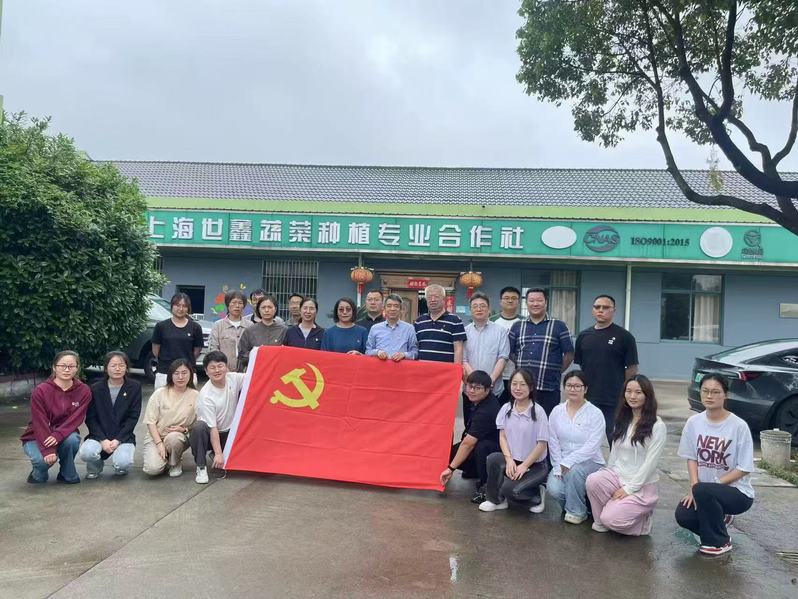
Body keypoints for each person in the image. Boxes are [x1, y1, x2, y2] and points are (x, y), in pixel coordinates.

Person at [674, 374, 754, 556]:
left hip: (737, 493)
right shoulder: (693, 423)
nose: (709, 396)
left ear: (725, 395)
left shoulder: (738, 426)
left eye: (716, 392)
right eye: (705, 391)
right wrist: (694, 487)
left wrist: (708, 487)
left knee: (704, 491)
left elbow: (744, 468)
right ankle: (718, 521)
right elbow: (691, 458)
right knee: (684, 515)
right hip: (705, 491)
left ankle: (719, 543)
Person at [586, 374, 667, 536]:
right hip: (618, 476)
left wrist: (630, 488)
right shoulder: (623, 420)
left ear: (647, 395)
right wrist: (607, 475)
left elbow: (650, 463)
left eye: (638, 392)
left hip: (642, 485)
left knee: (611, 519)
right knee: (593, 480)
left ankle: (642, 523)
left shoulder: (657, 426)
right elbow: (615, 452)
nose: (632, 396)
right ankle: (602, 521)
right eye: (629, 391)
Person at [479, 368, 550, 514]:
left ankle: (537, 494)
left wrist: (524, 466)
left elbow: (542, 445)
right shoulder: (506, 408)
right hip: (513, 460)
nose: (518, 388)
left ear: (531, 387)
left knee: (511, 490)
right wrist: (509, 459)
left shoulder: (538, 412)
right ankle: (496, 500)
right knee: (493, 459)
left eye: (523, 384)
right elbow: (502, 437)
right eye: (514, 384)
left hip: (535, 465)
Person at [574, 294, 639, 442]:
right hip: (588, 397)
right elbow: (582, 366)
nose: (600, 310)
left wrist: (625, 392)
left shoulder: (625, 337)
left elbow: (632, 368)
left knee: (615, 438)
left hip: (613, 399)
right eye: (597, 307)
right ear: (592, 310)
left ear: (613, 310)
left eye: (605, 307)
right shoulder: (583, 336)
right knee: (585, 438)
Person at [20, 350, 91, 484]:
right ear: (54, 367)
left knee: (72, 440)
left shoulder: (84, 390)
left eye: (71, 366)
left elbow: (76, 419)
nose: (67, 369)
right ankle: (37, 475)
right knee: (42, 462)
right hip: (37, 434)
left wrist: (58, 435)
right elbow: (39, 422)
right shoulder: (40, 390)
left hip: (65, 433)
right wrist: (48, 450)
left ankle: (66, 473)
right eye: (62, 366)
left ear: (77, 368)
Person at [546, 370, 606, 524]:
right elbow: (553, 441)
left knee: (574, 472)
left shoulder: (595, 413)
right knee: (554, 489)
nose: (573, 389)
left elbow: (593, 445)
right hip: (562, 461)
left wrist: (569, 461)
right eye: (569, 385)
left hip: (591, 461)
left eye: (577, 386)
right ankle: (583, 505)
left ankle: (577, 512)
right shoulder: (557, 411)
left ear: (585, 389)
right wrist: (557, 465)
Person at [508, 288, 573, 415]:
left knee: (547, 422)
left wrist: (557, 370)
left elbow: (569, 353)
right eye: (531, 300)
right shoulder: (517, 326)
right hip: (523, 388)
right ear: (526, 303)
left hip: (548, 387)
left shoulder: (559, 325)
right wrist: (521, 365)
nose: (535, 304)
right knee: (522, 420)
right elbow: (510, 352)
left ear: (546, 302)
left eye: (539, 300)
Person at [78, 351, 142, 479]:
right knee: (87, 453)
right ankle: (95, 467)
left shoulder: (134, 387)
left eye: (121, 365)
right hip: (99, 436)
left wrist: (118, 440)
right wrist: (103, 440)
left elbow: (133, 417)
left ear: (126, 368)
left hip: (123, 436)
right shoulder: (95, 388)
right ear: (106, 368)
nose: (117, 369)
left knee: (122, 463)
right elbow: (91, 418)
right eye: (113, 365)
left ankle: (120, 466)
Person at [440, 370, 502, 503]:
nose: (472, 391)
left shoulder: (486, 411)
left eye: (477, 388)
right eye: (470, 386)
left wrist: (451, 469)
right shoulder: (476, 399)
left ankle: (487, 486)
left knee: (480, 447)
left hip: (496, 451)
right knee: (449, 455)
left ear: (487, 390)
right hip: (480, 443)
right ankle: (474, 472)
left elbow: (468, 444)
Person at [190, 351, 246, 484]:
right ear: (206, 371)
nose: (217, 370)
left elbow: (256, 375)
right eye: (212, 367)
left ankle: (219, 453)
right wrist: (219, 454)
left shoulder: (233, 378)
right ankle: (201, 467)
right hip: (212, 434)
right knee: (199, 428)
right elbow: (213, 428)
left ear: (226, 367)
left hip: (231, 433)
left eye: (220, 366)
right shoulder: (206, 396)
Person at [142, 358, 199, 477]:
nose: (180, 377)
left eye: (184, 373)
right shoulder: (160, 393)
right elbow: (150, 422)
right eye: (176, 373)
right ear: (170, 375)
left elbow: (200, 422)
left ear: (190, 374)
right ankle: (166, 456)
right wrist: (159, 444)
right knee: (152, 469)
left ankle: (175, 462)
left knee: (174, 439)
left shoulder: (196, 395)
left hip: (178, 437)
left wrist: (185, 429)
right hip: (157, 436)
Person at [462, 291, 509, 422]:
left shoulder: (500, 331)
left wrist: (489, 381)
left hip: (494, 390)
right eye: (475, 306)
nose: (479, 309)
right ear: (470, 310)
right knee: (470, 425)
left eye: (482, 306)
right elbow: (463, 359)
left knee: (494, 426)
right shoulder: (464, 332)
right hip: (470, 391)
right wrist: (475, 382)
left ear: (489, 309)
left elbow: (503, 358)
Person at [151, 292, 204, 390]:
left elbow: (196, 351)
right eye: (177, 305)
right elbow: (155, 350)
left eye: (184, 306)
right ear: (172, 306)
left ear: (188, 308)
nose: (181, 309)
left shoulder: (195, 327)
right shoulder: (161, 326)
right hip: (164, 372)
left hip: (187, 372)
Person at [414, 284, 466, 363]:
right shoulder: (419, 321)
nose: (433, 300)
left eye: (436, 296)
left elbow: (458, 349)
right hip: (422, 368)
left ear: (443, 299)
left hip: (445, 369)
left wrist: (456, 368)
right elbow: (415, 347)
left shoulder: (455, 321)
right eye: (429, 297)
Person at [237, 295, 288, 371]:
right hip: (256, 370)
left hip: (277, 370)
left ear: (275, 309)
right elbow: (242, 355)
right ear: (259, 310)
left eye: (270, 307)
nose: (266, 310)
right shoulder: (249, 331)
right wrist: (256, 354)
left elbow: (289, 354)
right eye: (263, 307)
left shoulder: (284, 330)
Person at [490, 286, 522, 403]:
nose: (510, 301)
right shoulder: (492, 321)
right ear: (500, 301)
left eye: (514, 298)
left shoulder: (524, 322)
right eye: (506, 298)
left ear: (518, 301)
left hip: (517, 374)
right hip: (495, 374)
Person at [366, 294, 418, 361]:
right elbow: (368, 351)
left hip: (401, 366)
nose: (392, 309)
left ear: (400, 309)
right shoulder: (375, 328)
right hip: (380, 366)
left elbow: (415, 353)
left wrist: (404, 355)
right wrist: (377, 352)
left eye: (396, 306)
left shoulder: (409, 328)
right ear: (384, 309)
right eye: (389, 306)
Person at [208, 290, 252, 367]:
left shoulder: (250, 325)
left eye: (240, 303)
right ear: (228, 304)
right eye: (233, 302)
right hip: (224, 370)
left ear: (244, 306)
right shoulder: (218, 326)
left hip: (246, 370)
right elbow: (213, 350)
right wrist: (222, 367)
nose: (237, 306)